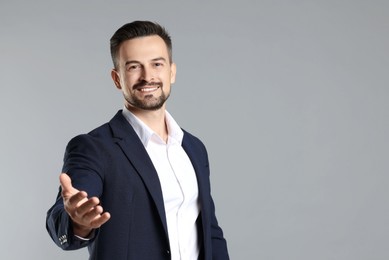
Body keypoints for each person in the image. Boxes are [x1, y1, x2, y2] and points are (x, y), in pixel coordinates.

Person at [46, 21, 229, 260]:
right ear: (117, 78)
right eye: (134, 67)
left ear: (171, 72)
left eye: (157, 64)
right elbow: (64, 213)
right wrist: (78, 222)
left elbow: (209, 231)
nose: (148, 76)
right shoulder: (93, 148)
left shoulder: (194, 148)